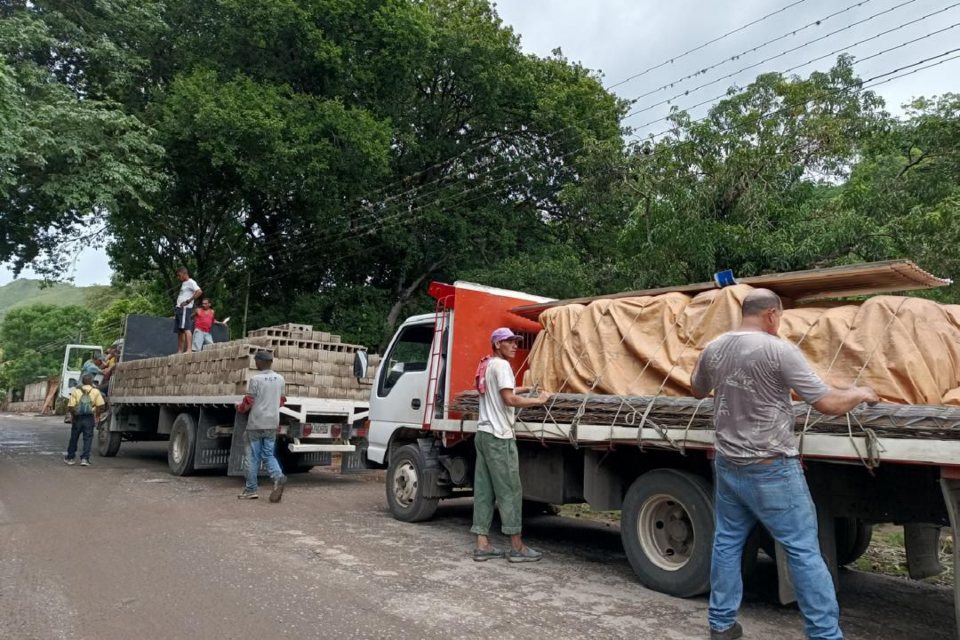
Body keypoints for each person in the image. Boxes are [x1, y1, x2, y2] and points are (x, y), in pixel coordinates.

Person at [690, 289, 879, 640]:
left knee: (727, 543)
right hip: (772, 468)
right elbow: (827, 404)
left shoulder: (714, 348)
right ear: (772, 315)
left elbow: (697, 390)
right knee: (803, 550)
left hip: (729, 465)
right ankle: (825, 634)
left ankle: (721, 625)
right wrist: (860, 393)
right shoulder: (778, 350)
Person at [471, 327, 552, 563]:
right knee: (510, 491)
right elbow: (509, 399)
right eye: (509, 342)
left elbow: (500, 392)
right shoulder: (504, 366)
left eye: (516, 341)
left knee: (484, 491)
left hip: (483, 434)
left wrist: (523, 388)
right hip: (499, 438)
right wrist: (538, 400)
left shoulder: (487, 365)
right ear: (497, 345)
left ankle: (482, 544)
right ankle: (517, 547)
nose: (515, 345)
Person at [235, 351, 287, 502]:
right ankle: (278, 477)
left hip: (256, 423)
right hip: (272, 423)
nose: (255, 364)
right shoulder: (280, 379)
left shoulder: (255, 379)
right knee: (268, 454)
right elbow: (282, 400)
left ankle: (251, 489)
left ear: (259, 362)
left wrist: (238, 408)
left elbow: (249, 401)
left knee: (252, 457)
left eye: (255, 361)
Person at [64, 373, 106, 467]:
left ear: (82, 382)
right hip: (89, 418)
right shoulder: (95, 391)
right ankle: (85, 459)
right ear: (91, 382)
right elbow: (101, 406)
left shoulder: (76, 391)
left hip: (77, 418)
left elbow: (71, 406)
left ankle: (70, 458)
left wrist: (73, 416)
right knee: (88, 438)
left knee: (74, 438)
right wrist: (97, 415)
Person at [174, 266, 202, 353]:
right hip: (179, 308)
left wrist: (188, 301)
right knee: (180, 331)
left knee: (186, 328)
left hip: (185, 309)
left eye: (179, 275)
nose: (179, 278)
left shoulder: (191, 282)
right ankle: (180, 350)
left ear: (184, 273)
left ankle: (189, 349)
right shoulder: (184, 283)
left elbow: (199, 291)